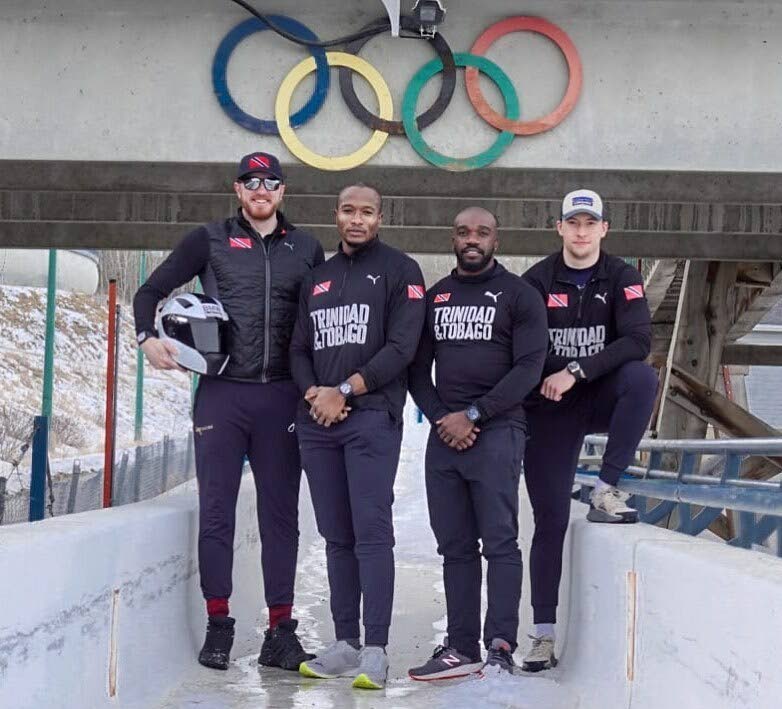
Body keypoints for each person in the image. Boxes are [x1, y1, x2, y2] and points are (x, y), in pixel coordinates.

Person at [133, 152, 324, 672]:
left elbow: (324, 319)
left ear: (283, 192)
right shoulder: (208, 239)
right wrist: (147, 336)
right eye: (251, 182)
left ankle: (281, 632)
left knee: (280, 516)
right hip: (222, 394)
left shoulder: (308, 248)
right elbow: (150, 290)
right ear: (238, 190)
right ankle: (220, 623)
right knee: (217, 509)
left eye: (271, 182)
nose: (261, 190)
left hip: (283, 396)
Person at [289, 184, 426, 690]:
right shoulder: (317, 278)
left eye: (366, 212)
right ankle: (345, 642)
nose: (356, 219)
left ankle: (375, 648)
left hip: (370, 417)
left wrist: (344, 389)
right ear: (336, 214)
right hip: (318, 423)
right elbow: (298, 347)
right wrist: (313, 394)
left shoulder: (400, 270)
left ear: (379, 218)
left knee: (371, 531)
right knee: (335, 535)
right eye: (348, 210)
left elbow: (402, 347)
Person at [406, 207, 548, 679]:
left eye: (482, 232)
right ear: (453, 238)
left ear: (496, 239)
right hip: (445, 437)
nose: (473, 239)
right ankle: (461, 646)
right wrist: (441, 418)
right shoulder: (436, 297)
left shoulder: (519, 296)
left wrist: (473, 415)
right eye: (464, 232)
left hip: (498, 432)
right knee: (455, 547)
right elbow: (416, 369)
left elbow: (528, 370)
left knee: (500, 543)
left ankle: (501, 645)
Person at [519, 189, 658, 672]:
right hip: (549, 407)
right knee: (550, 520)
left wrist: (577, 370)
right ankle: (542, 636)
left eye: (589, 223)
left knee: (641, 378)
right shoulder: (535, 280)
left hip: (592, 393)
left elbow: (639, 340)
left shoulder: (622, 277)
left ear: (604, 229)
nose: (580, 231)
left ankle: (605, 488)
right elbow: (524, 349)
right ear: (559, 228)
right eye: (572, 223)